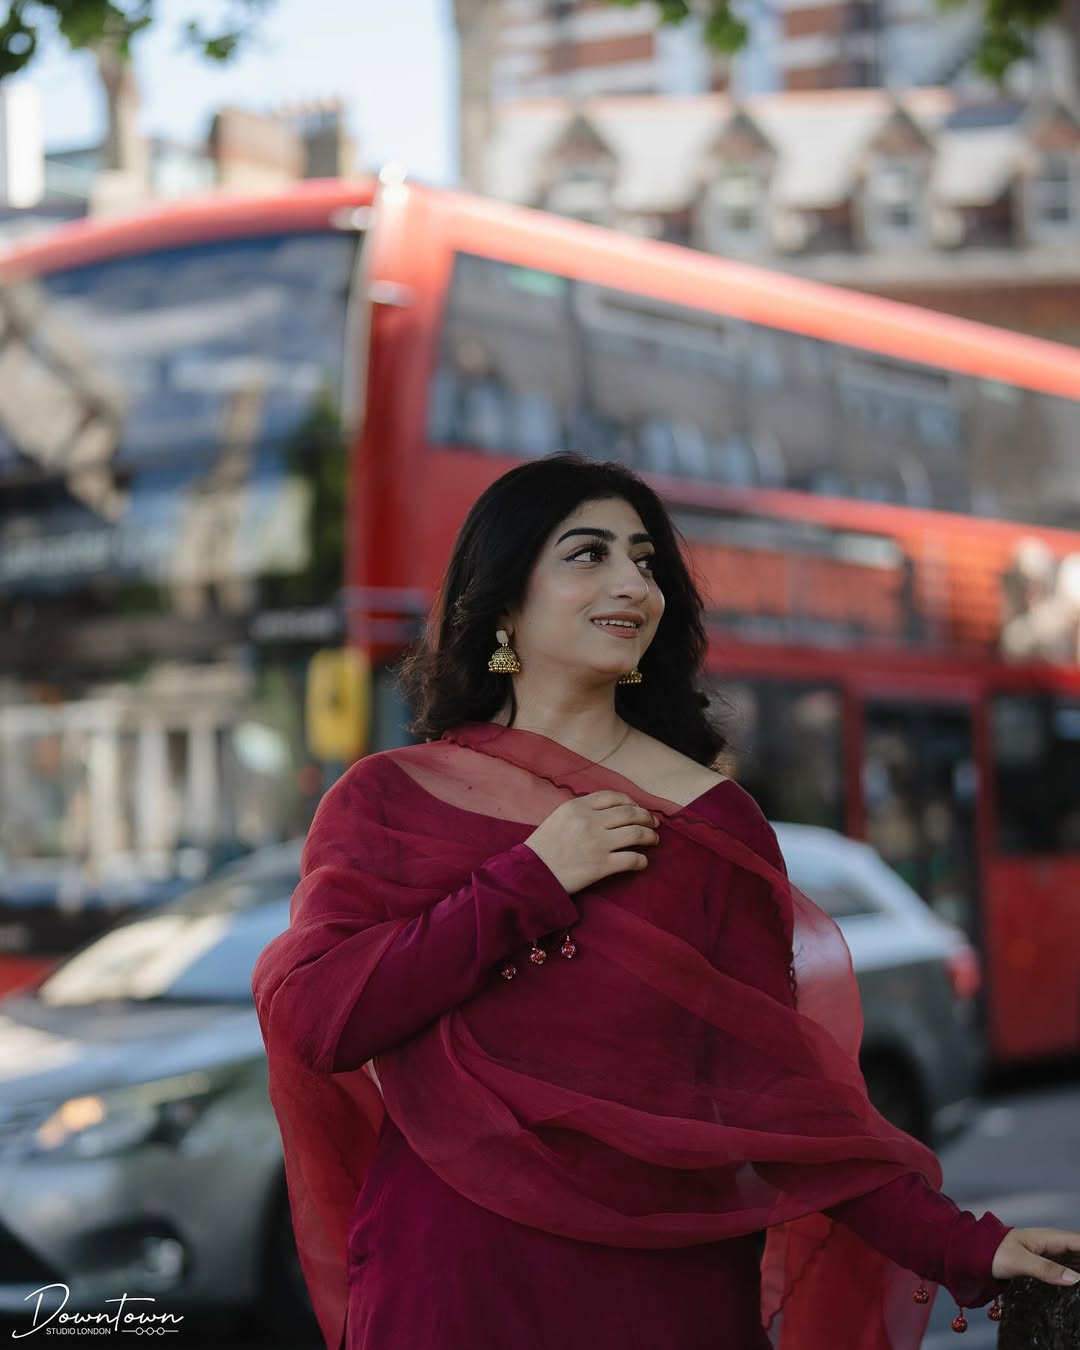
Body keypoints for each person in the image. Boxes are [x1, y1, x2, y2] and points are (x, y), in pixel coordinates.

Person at [252, 452, 1080, 1350]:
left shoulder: (713, 823)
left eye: (644, 561)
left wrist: (966, 1245)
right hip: (450, 1288)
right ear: (502, 602)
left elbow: (780, 1098)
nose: (631, 585)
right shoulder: (389, 799)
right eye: (588, 554)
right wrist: (530, 878)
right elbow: (315, 1019)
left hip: (661, 1298)